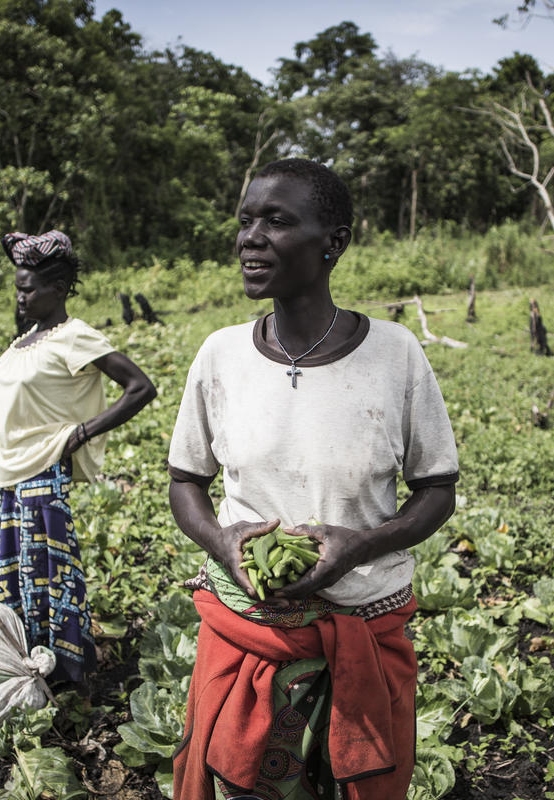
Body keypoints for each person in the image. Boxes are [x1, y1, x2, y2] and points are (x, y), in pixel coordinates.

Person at [167, 158, 459, 800]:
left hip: (363, 624)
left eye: (276, 220)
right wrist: (224, 542)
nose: (251, 236)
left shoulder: (395, 354)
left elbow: (437, 489)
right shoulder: (221, 354)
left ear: (334, 242)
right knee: (251, 786)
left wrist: (362, 544)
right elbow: (185, 480)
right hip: (251, 632)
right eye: (246, 220)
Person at [0, 230, 156, 687]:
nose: (19, 297)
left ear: (58, 290)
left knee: (47, 575)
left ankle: (64, 669)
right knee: (13, 574)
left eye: (28, 289)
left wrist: (80, 433)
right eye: (18, 288)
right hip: (8, 480)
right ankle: (23, 660)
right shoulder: (26, 339)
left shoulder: (74, 335)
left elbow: (140, 387)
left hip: (42, 471)